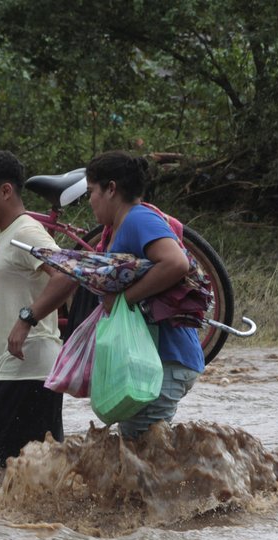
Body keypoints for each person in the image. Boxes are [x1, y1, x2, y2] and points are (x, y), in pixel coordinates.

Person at [0, 150, 77, 479]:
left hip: (28, 367)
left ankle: (2, 527)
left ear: (6, 192)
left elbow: (67, 274)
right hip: (15, 368)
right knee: (31, 467)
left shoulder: (26, 233)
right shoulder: (6, 235)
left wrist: (27, 319)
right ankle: (25, 528)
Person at [84, 150, 205, 438]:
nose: (89, 200)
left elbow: (176, 262)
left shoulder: (138, 220)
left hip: (164, 360)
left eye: (92, 191)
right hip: (158, 360)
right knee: (147, 459)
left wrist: (125, 299)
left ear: (111, 189)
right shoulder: (123, 225)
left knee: (142, 463)